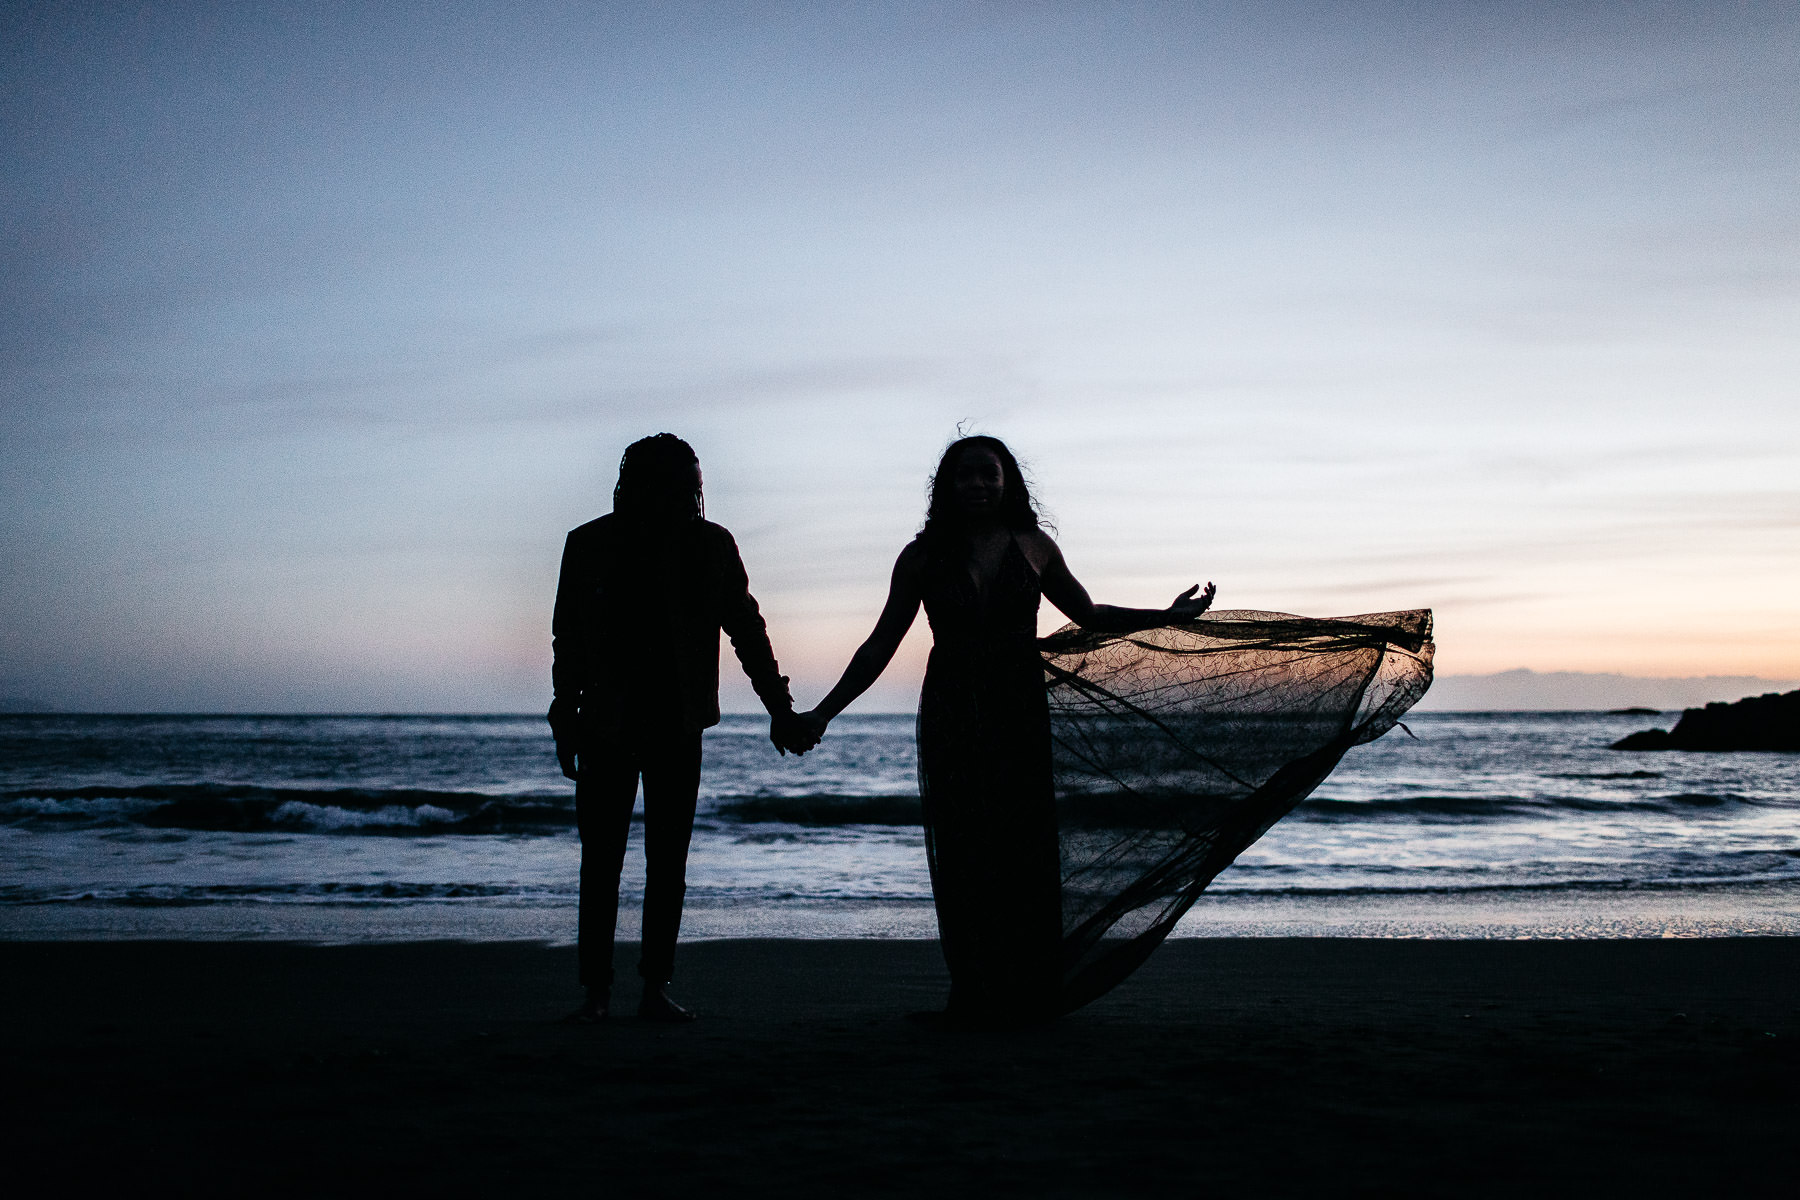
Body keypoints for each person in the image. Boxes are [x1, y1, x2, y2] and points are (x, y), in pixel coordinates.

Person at [796, 436, 1213, 1025]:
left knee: (1024, 847)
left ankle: (1028, 991)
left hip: (1017, 705)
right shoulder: (921, 556)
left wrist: (1166, 616)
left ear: (1007, 481)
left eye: (988, 474)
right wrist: (824, 712)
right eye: (965, 475)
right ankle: (970, 992)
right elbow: (881, 643)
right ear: (947, 486)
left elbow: (1089, 615)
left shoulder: (1035, 546)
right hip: (953, 708)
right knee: (964, 846)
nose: (978, 484)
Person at [551, 434, 815, 1024]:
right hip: (607, 723)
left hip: (675, 723)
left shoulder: (710, 544)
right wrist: (564, 713)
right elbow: (568, 636)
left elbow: (746, 628)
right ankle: (601, 992)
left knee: (661, 862)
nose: (689, 496)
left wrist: (779, 707)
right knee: (607, 862)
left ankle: (646, 989)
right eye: (678, 486)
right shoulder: (590, 543)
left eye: (692, 486)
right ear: (640, 485)